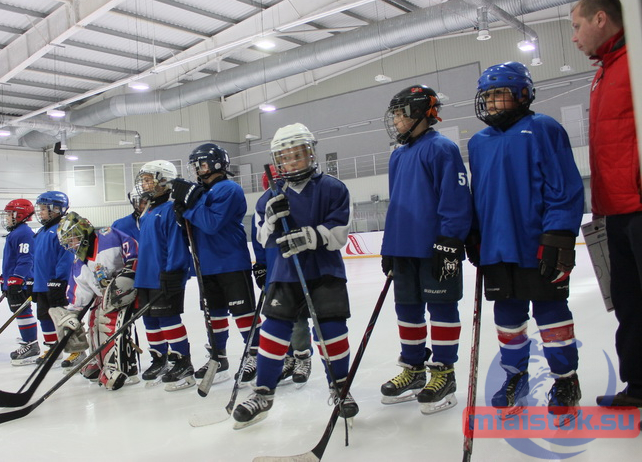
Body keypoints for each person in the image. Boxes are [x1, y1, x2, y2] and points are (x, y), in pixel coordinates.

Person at [467, 62, 584, 417]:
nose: (491, 102)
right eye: (486, 96)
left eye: (498, 94)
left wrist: (560, 233)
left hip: (537, 244)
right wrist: (473, 233)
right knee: (507, 316)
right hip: (497, 247)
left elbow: (564, 184)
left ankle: (565, 378)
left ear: (521, 94)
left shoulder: (543, 128)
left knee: (550, 314)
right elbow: (478, 194)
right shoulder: (478, 142)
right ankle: (515, 375)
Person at [233, 123, 357, 429]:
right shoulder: (268, 199)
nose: (292, 163)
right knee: (273, 332)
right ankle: (263, 392)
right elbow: (261, 238)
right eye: (285, 158)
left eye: (298, 155)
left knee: (332, 332)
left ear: (310, 154)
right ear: (277, 162)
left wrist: (310, 236)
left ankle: (340, 387)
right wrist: (272, 220)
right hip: (284, 275)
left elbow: (340, 233)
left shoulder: (334, 188)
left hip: (325, 272)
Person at [379, 85, 472, 414]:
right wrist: (389, 246)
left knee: (443, 309)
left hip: (439, 249)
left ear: (421, 114)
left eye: (401, 113)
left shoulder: (442, 149)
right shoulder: (398, 154)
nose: (397, 120)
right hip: (403, 248)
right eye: (395, 114)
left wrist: (450, 240)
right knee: (408, 310)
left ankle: (444, 373)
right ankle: (414, 369)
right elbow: (397, 204)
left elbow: (456, 198)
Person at [571, 0, 642, 408]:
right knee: (629, 303)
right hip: (614, 210)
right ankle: (638, 384)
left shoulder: (634, 63)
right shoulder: (604, 73)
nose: (575, 38)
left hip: (637, 205)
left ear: (601, 19)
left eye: (577, 27)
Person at [171, 143, 259, 386]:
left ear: (218, 164)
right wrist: (182, 212)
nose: (198, 169)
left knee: (243, 312)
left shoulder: (229, 189)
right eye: (195, 165)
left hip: (230, 261)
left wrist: (189, 207)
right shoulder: (203, 192)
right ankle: (218, 357)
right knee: (214, 314)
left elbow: (211, 224)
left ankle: (255, 355)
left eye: (202, 164)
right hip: (206, 265)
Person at [56, 211, 139, 390]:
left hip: (125, 290)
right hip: (104, 295)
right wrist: (72, 314)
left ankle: (116, 366)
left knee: (107, 322)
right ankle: (98, 359)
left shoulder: (109, 236)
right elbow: (80, 292)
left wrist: (129, 273)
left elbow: (133, 250)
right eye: (68, 241)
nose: (72, 244)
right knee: (93, 320)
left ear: (84, 230)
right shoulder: (78, 263)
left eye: (73, 238)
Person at [133, 160, 195, 390]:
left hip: (164, 276)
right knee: (150, 320)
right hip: (145, 277)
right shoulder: (148, 210)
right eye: (144, 180)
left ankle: (182, 361)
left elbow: (176, 243)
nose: (145, 184)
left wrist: (173, 272)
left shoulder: (171, 209)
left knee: (168, 319)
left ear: (164, 180)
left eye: (149, 179)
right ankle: (160, 358)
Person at [252, 167, 312, 388]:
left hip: (296, 270)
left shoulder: (295, 200)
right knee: (276, 321)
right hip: (274, 274)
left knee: (298, 320)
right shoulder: (262, 204)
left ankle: (303, 357)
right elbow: (258, 240)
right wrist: (259, 266)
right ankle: (288, 358)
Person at [32, 191, 75, 366]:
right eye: (40, 209)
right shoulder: (41, 231)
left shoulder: (63, 229)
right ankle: (52, 348)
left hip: (57, 284)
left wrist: (60, 280)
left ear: (56, 209)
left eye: (44, 209)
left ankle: (76, 351)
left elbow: (66, 257)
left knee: (65, 318)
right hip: (42, 285)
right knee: (44, 317)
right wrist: (32, 281)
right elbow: (36, 259)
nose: (40, 212)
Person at [1, 199, 39, 365]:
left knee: (23, 311)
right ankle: (28, 340)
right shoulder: (16, 232)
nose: (8, 217)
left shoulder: (23, 233)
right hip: (14, 281)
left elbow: (26, 258)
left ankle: (31, 344)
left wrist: (17, 279)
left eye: (11, 214)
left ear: (21, 215)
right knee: (18, 311)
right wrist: (5, 279)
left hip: (21, 282)